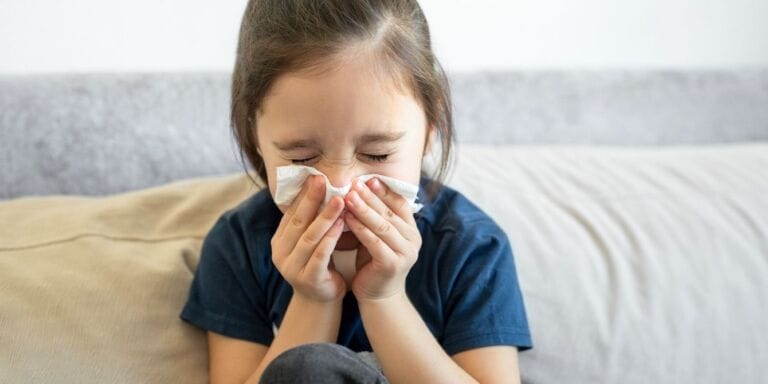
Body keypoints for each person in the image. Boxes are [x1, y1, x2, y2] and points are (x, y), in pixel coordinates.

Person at [180, 1, 532, 382]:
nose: (341, 187)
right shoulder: (239, 247)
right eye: (302, 157)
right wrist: (315, 301)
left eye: (377, 153)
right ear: (255, 138)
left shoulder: (471, 247)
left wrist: (385, 298)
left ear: (430, 129)